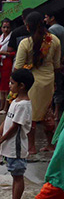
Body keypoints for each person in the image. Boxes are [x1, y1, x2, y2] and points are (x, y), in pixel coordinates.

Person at [13, 11, 64, 154]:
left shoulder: (25, 43)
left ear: (28, 27)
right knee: (47, 114)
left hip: (31, 83)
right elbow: (56, 65)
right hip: (48, 82)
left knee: (31, 116)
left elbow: (18, 67)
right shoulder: (54, 40)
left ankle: (31, 147)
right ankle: (50, 145)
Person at [0, 69, 34, 199]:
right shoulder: (15, 101)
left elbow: (15, 127)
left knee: (18, 176)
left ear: (21, 86)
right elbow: (7, 120)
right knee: (15, 175)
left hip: (16, 147)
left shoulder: (23, 105)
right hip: (10, 146)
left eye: (12, 83)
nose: (9, 85)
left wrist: (1, 139)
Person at [0, 18, 17, 113]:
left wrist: (1, 53)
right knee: (0, 87)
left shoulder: (12, 38)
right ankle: (1, 107)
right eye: (4, 27)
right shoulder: (0, 37)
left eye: (8, 27)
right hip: (0, 64)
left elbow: (14, 53)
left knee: (6, 87)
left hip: (7, 64)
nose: (6, 29)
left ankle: (6, 108)